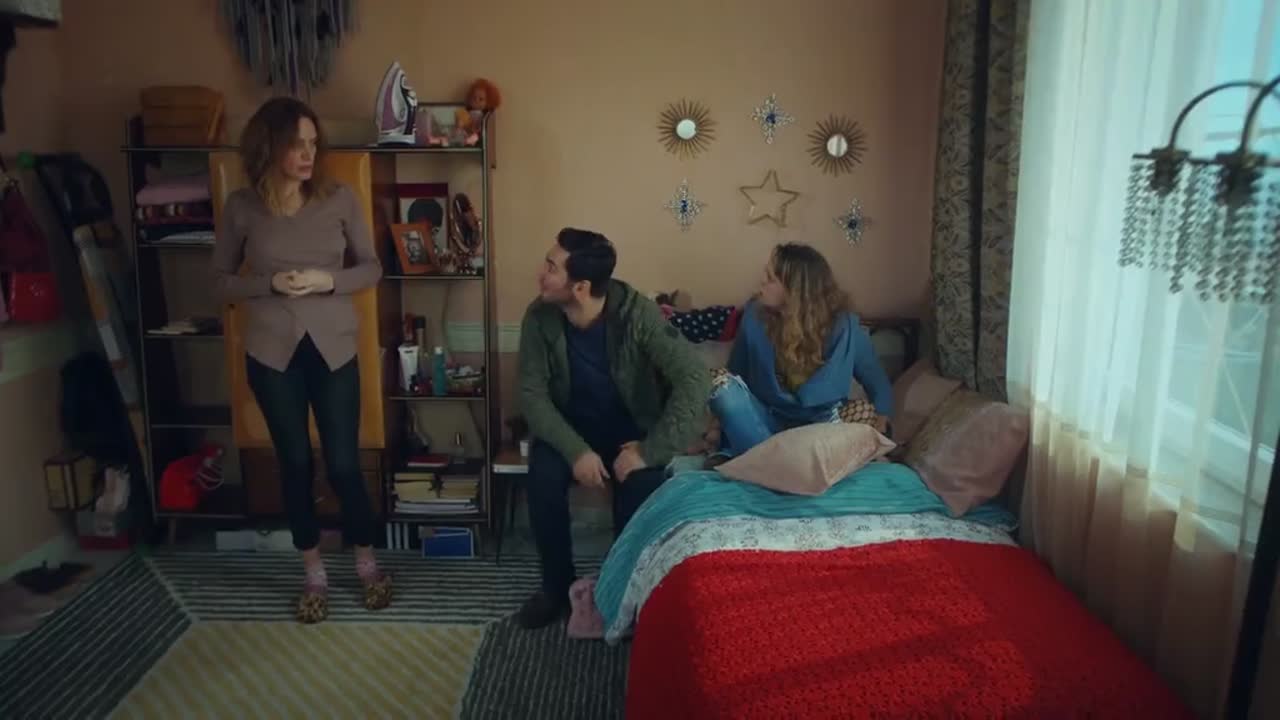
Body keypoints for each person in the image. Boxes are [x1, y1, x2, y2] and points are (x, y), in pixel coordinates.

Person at [212, 97, 389, 624]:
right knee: (293, 464)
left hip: (334, 350)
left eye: (314, 144)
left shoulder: (339, 198)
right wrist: (269, 283)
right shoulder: (242, 206)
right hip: (271, 353)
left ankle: (366, 562)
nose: (309, 154)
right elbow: (219, 281)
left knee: (343, 465)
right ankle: (313, 571)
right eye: (297, 145)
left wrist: (327, 279)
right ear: (269, 148)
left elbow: (372, 268)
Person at [516, 228, 710, 629]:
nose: (541, 274)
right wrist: (576, 451)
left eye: (551, 268)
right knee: (542, 477)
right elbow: (532, 396)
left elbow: (694, 379)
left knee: (641, 491)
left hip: (631, 433)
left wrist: (648, 451)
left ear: (581, 287)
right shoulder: (539, 317)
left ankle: (623, 590)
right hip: (569, 430)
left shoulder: (637, 313)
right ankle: (555, 585)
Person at [709, 242, 893, 456]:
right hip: (768, 422)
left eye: (771, 278)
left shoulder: (844, 327)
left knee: (864, 412)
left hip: (820, 428)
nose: (762, 281)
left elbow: (878, 384)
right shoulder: (753, 315)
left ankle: (775, 461)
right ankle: (773, 461)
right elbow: (735, 375)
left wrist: (881, 427)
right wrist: (715, 428)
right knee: (720, 383)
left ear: (795, 291)